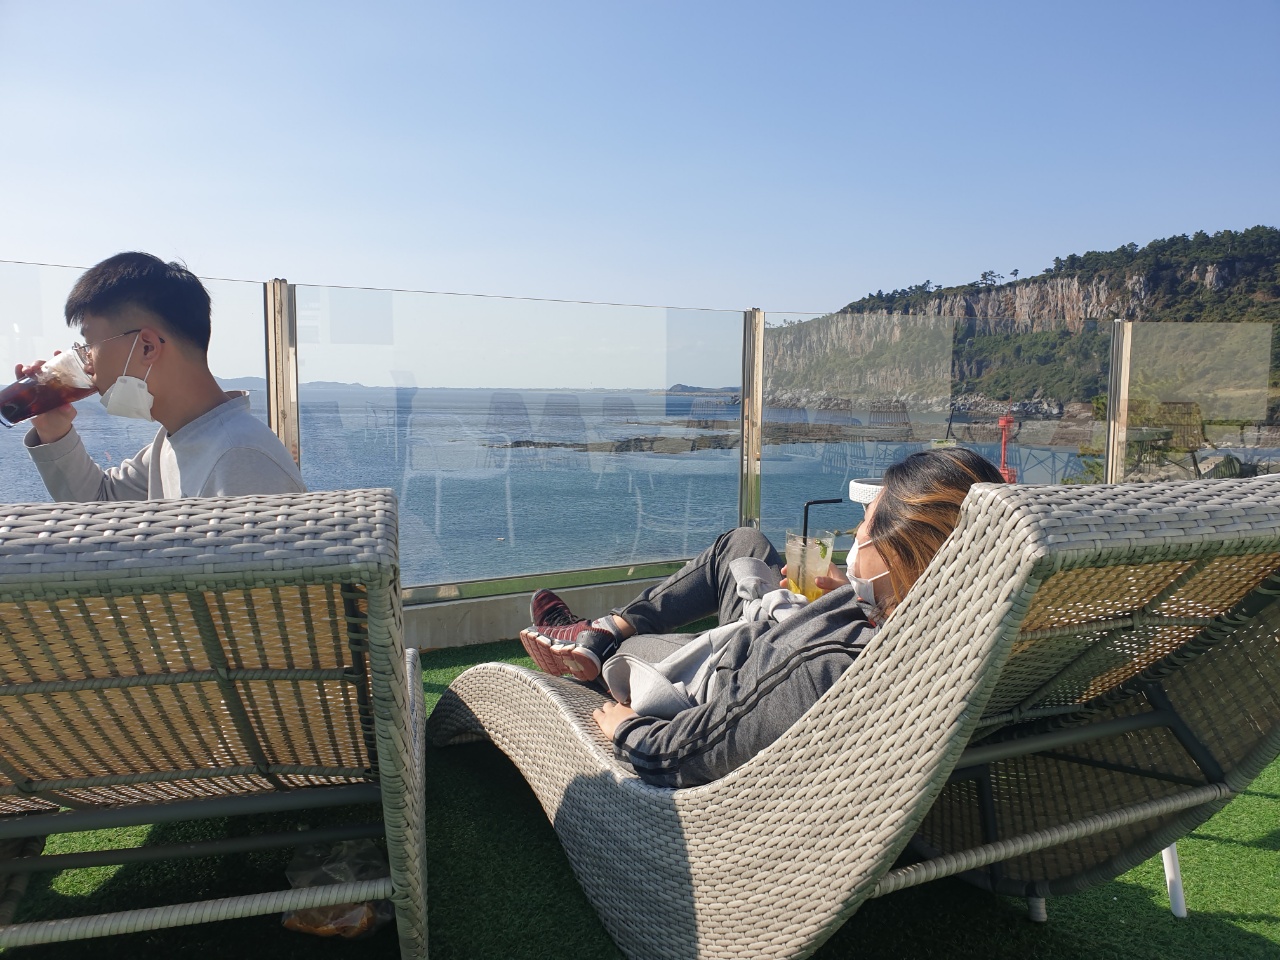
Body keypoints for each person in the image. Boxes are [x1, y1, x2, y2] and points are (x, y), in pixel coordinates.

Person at [520, 447, 1005, 788]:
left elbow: (688, 753)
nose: (857, 532)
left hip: (728, 674)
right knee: (743, 543)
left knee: (623, 655)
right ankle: (609, 625)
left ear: (900, 552)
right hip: (775, 637)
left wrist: (628, 731)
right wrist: (854, 595)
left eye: (866, 521)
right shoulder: (968, 625)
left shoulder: (824, 662)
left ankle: (602, 641)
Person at [17, 252, 305, 500]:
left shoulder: (240, 459)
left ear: (148, 347)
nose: (87, 364)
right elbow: (100, 501)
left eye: (89, 346)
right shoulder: (178, 440)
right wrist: (53, 429)